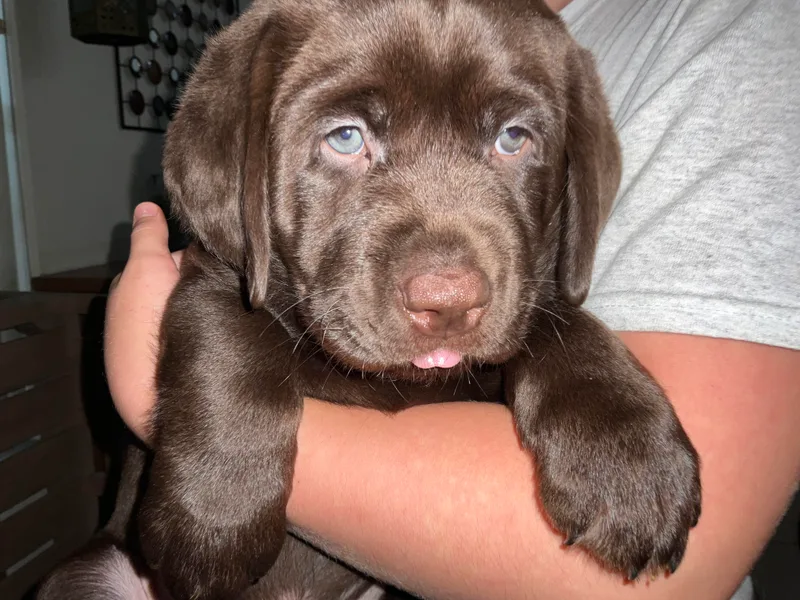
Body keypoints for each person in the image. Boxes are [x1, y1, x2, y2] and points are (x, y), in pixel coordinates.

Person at [103, 0, 799, 598]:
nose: (446, 287)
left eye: (511, 137)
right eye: (345, 136)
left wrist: (576, 357)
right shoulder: (313, 29)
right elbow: (212, 286)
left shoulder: (730, 30)